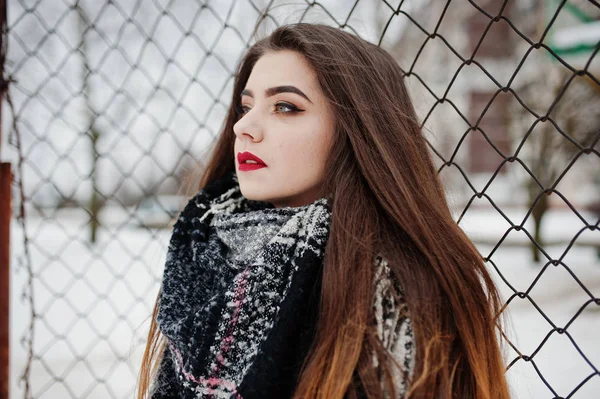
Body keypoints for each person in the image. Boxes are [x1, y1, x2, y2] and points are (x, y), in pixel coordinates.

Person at [136, 23, 511, 399]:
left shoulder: (398, 291)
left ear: (357, 130)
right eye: (246, 106)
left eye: (285, 107)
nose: (244, 126)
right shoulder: (205, 245)